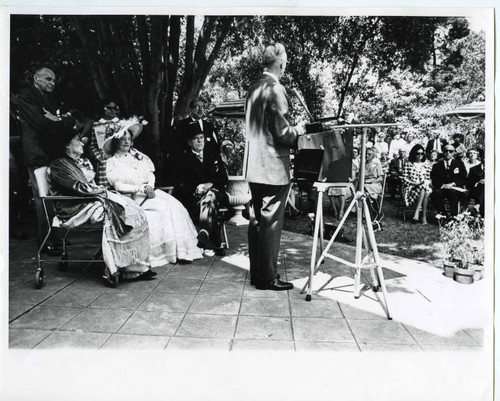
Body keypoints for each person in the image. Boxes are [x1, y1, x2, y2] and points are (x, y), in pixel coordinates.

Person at [48, 129, 156, 286]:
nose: (81, 142)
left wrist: (103, 192)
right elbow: (78, 188)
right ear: (67, 145)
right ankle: (113, 269)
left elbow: (86, 187)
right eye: (77, 140)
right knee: (117, 213)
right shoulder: (58, 165)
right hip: (72, 207)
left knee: (132, 208)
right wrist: (103, 191)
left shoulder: (72, 162)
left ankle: (135, 266)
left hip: (87, 201)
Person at [104, 118, 204, 265]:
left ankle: (181, 251)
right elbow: (118, 186)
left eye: (129, 139)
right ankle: (164, 253)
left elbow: (150, 174)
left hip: (149, 193)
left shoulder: (138, 156)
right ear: (115, 142)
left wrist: (149, 186)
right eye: (122, 139)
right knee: (162, 208)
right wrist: (140, 188)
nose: (126, 142)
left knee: (175, 206)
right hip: (131, 198)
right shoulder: (113, 162)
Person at [245, 43, 302, 291]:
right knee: (270, 222)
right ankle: (267, 277)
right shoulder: (275, 88)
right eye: (286, 61)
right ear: (280, 63)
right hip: (272, 167)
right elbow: (282, 133)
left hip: (254, 166)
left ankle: (257, 275)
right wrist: (298, 131)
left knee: (257, 219)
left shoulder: (253, 88)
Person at [17, 66, 76, 255]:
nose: (52, 83)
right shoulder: (26, 95)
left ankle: (57, 239)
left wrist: (57, 119)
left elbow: (68, 123)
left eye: (53, 80)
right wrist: (59, 120)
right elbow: (41, 123)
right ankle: (46, 242)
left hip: (52, 154)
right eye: (48, 79)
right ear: (36, 78)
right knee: (43, 198)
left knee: (54, 197)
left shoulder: (49, 99)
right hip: (37, 154)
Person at [177, 131, 229, 256]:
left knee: (211, 195)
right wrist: (196, 189)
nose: (200, 141)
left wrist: (210, 185)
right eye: (196, 139)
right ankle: (216, 242)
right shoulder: (183, 159)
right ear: (189, 142)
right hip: (195, 198)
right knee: (209, 201)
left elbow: (224, 179)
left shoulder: (213, 156)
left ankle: (205, 230)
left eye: (202, 138)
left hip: (217, 194)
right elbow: (180, 183)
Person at [89, 100, 121, 188]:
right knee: (105, 189)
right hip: (103, 162)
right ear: (103, 109)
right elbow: (93, 145)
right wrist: (100, 158)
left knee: (120, 186)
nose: (112, 110)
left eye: (114, 108)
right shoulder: (96, 124)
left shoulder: (120, 124)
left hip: (118, 160)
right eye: (109, 108)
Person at [430, 144, 467, 217]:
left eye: (450, 151)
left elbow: (463, 179)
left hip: (455, 189)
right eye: (446, 151)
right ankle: (444, 216)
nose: (448, 153)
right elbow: (434, 180)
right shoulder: (436, 165)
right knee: (435, 194)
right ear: (443, 152)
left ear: (453, 153)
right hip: (442, 188)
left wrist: (453, 184)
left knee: (453, 193)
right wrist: (443, 185)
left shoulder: (459, 164)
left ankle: (454, 217)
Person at [402, 144, 432, 224]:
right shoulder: (408, 164)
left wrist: (424, 183)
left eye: (422, 153)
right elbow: (404, 179)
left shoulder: (426, 164)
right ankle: (422, 217)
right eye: (418, 153)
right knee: (424, 190)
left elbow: (429, 178)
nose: (420, 155)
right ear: (413, 154)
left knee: (425, 189)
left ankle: (417, 214)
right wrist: (415, 183)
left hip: (424, 186)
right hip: (411, 187)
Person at [467, 149, 485, 217]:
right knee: (483, 186)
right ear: (481, 158)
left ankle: (478, 206)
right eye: (485, 157)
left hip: (491, 190)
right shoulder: (473, 169)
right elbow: (469, 183)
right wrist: (478, 182)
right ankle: (478, 207)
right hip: (476, 191)